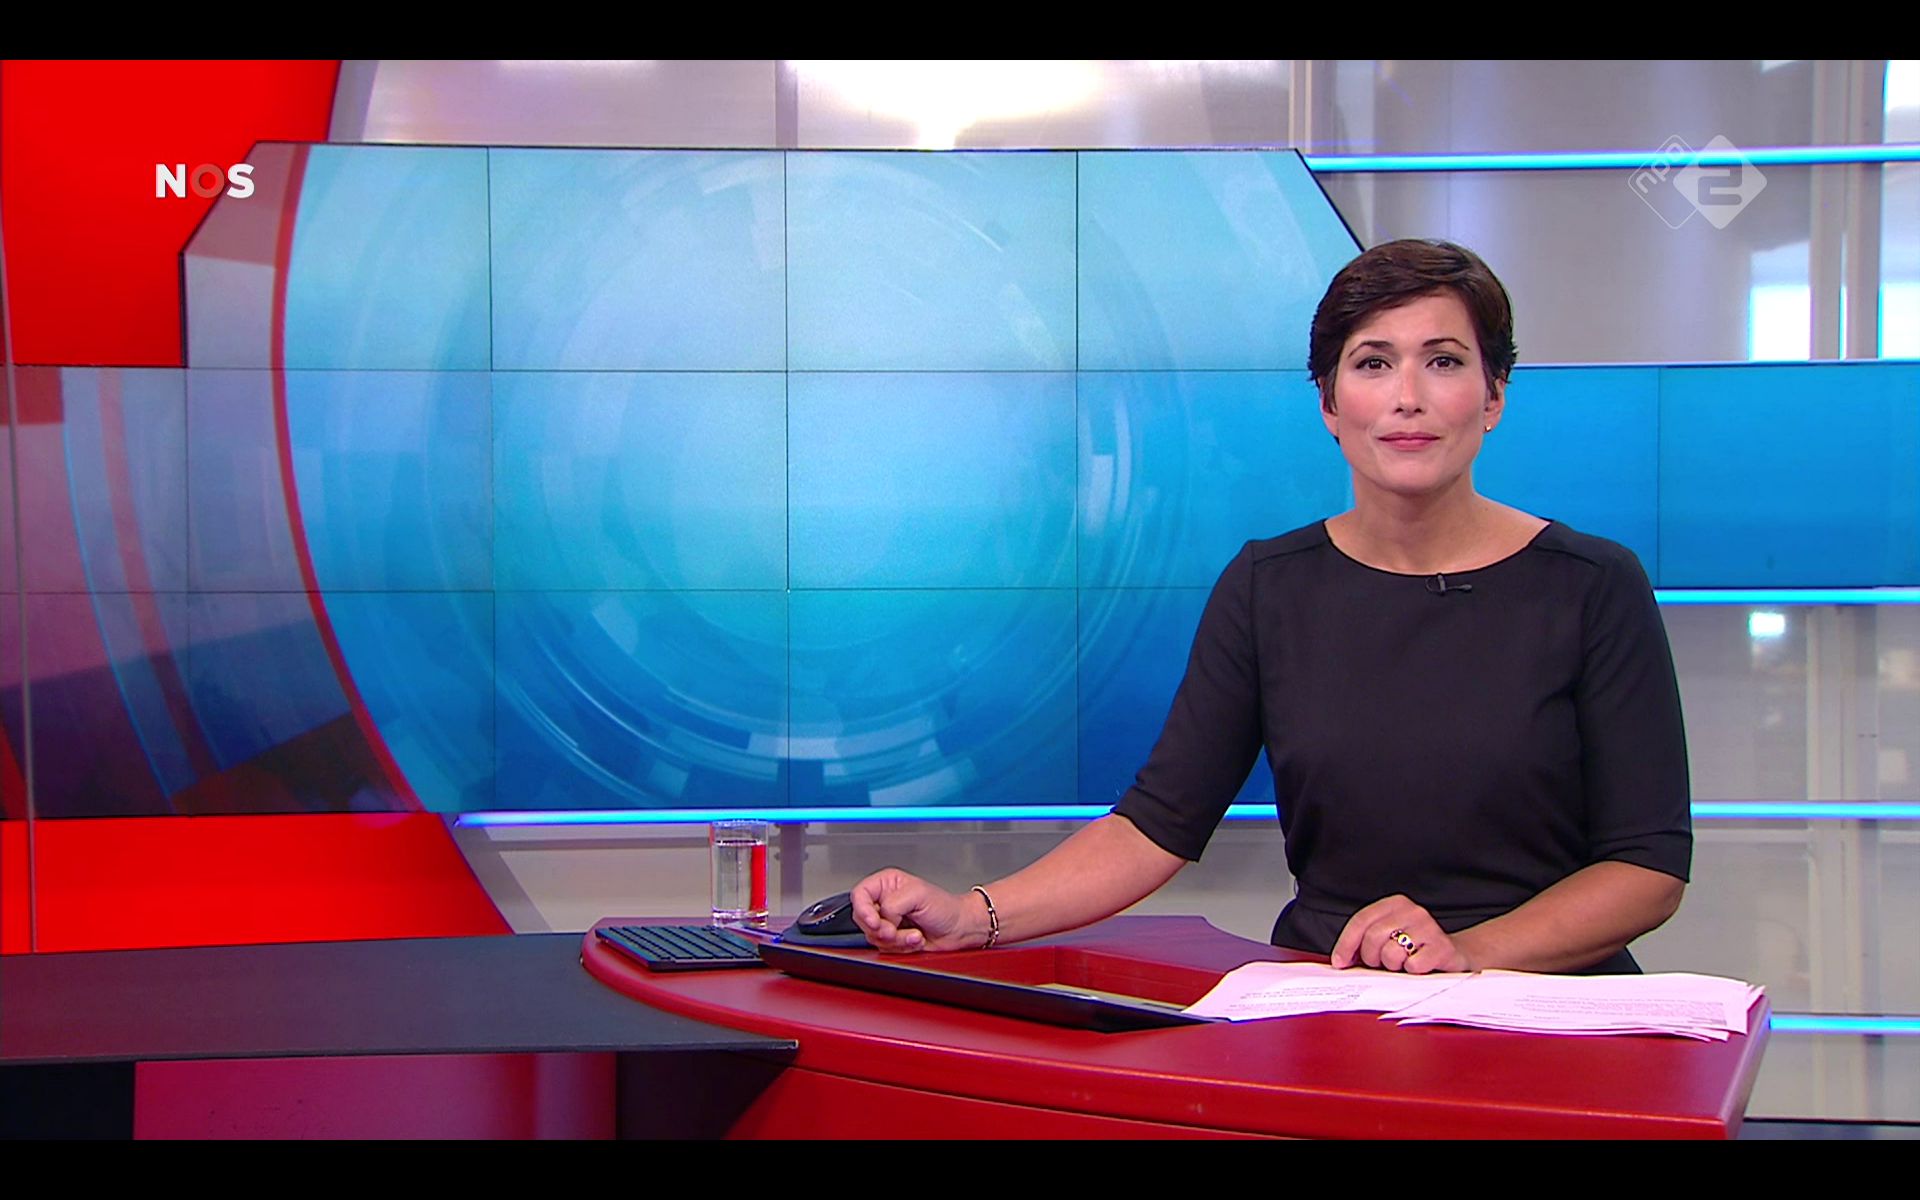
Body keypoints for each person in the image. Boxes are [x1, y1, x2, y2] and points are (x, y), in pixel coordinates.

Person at [850, 239, 1691, 976]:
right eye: (1373, 363)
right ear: (1329, 404)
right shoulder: (1269, 586)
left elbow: (1647, 865)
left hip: (1544, 1006)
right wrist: (971, 915)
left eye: (1443, 362)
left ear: (1494, 394)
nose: (1408, 396)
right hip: (1336, 994)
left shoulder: (1592, 584)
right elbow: (1156, 825)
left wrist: (1469, 953)